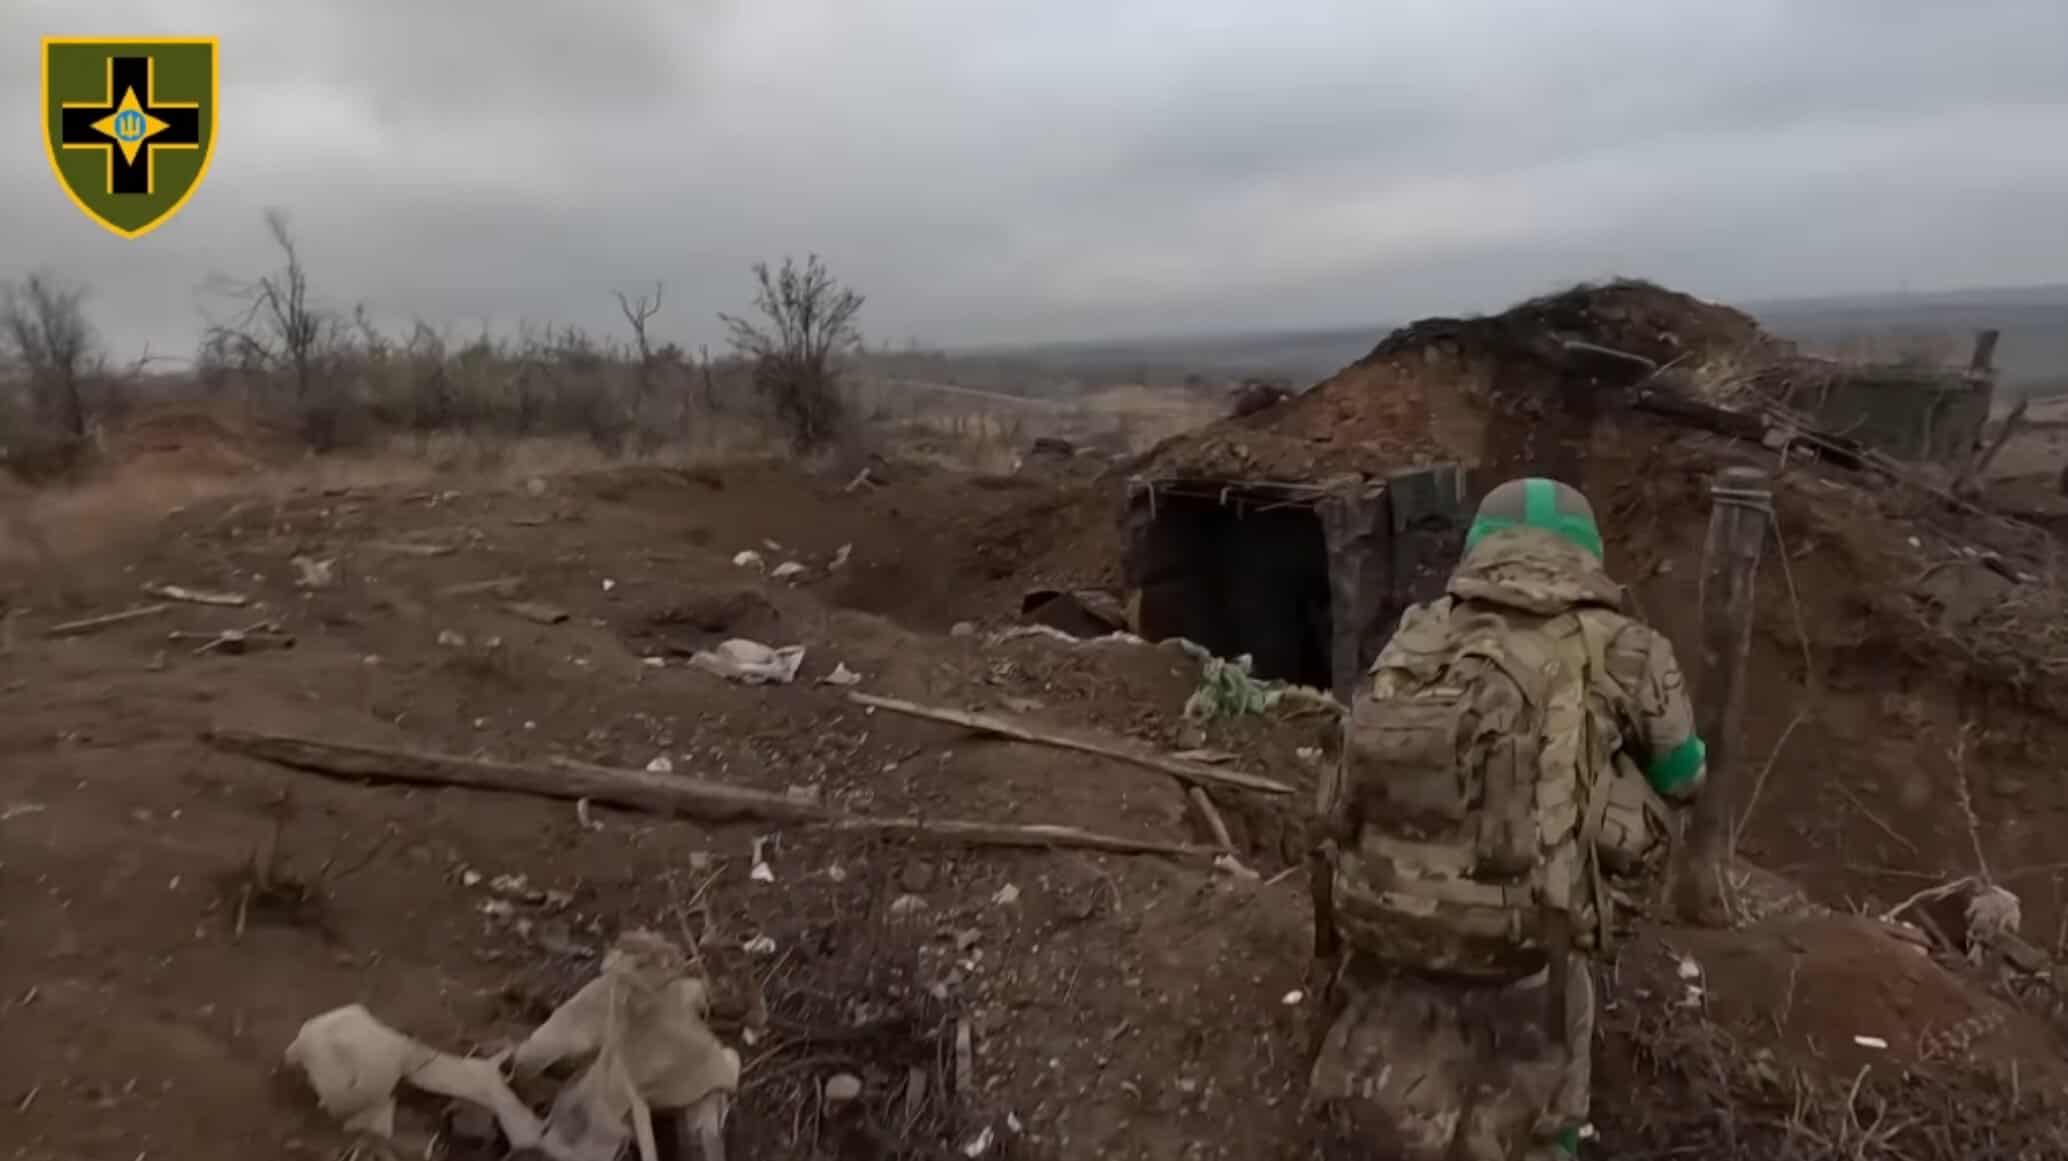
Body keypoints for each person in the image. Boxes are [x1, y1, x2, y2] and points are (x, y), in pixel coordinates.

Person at [1305, 477, 1705, 1160]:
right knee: (1617, 798)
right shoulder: (1626, 644)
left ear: (1478, 548)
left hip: (1375, 914)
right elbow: (1683, 775)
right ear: (1588, 553)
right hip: (1524, 943)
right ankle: (1556, 1126)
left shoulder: (1418, 631)